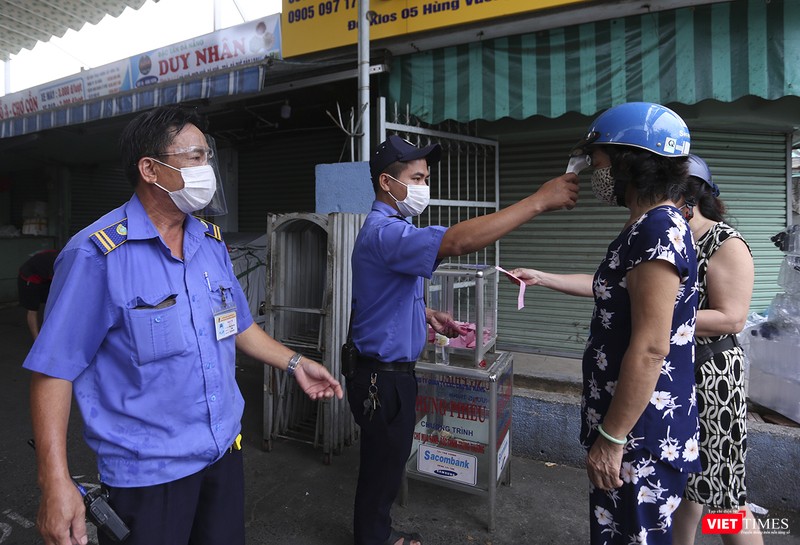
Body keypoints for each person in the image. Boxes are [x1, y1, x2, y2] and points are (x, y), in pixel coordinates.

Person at [23, 105, 343, 545]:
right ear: (151, 169)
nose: (206, 169)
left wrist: (294, 363)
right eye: (194, 157)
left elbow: (236, 326)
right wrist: (54, 483)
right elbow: (55, 369)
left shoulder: (209, 244)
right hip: (148, 475)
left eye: (207, 157)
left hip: (221, 453)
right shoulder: (96, 255)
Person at [348, 134, 580, 545]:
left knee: (385, 463)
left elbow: (381, 300)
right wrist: (538, 201)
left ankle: (376, 534)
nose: (424, 186)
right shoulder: (384, 233)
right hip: (381, 379)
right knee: (382, 469)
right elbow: (456, 241)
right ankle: (374, 539)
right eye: (416, 178)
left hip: (385, 373)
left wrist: (428, 315)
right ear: (387, 183)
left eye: (426, 178)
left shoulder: (393, 232)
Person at [506, 102, 701, 544]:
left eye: (598, 162)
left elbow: (652, 347)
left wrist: (612, 439)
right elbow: (610, 288)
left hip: (639, 438)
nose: (596, 173)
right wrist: (542, 277)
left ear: (629, 162)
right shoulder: (648, 225)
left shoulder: (657, 230)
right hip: (632, 430)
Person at [671, 155, 763, 544]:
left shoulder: (725, 242)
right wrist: (543, 277)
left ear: (688, 200)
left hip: (713, 378)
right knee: (687, 488)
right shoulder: (675, 241)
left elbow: (731, 318)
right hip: (681, 371)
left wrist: (662, 313)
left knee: (724, 499)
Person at [17, 248, 58, 339]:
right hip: (29, 277)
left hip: (44, 276)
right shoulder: (56, 263)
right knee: (33, 309)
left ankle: (53, 332)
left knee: (54, 303)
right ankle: (37, 340)